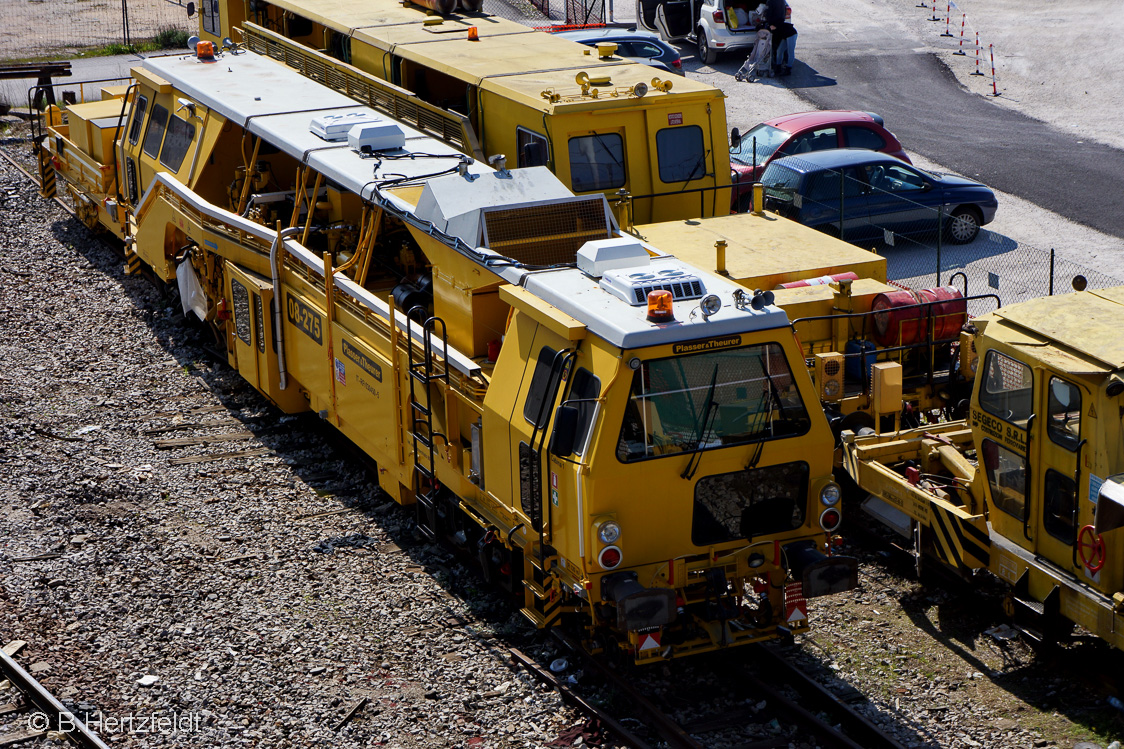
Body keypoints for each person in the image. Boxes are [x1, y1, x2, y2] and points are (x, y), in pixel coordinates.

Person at [764, 0, 796, 76]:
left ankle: (788, 69)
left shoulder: (775, 25)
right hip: (785, 35)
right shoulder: (776, 23)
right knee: (779, 51)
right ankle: (778, 67)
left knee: (790, 51)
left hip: (791, 34)